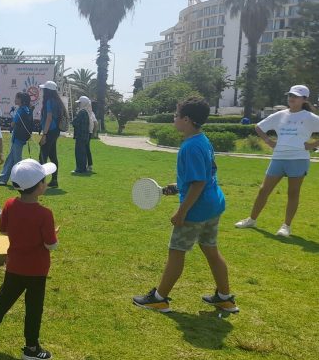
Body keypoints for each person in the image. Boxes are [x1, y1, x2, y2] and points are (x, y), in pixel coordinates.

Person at [133, 97, 238, 314]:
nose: (174, 118)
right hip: (213, 205)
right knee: (211, 250)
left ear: (187, 119)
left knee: (176, 252)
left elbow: (199, 183)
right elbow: (203, 176)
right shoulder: (202, 140)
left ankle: (159, 299)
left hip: (196, 210)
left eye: (176, 115)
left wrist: (181, 212)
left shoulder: (189, 147)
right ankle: (225, 298)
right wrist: (178, 187)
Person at [0, 158, 58, 360]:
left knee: (2, 301)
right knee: (34, 308)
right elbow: (51, 245)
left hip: (14, 266)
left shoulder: (10, 204)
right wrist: (52, 234)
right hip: (37, 270)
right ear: (39, 187)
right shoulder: (45, 214)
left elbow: (3, 229)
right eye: (44, 180)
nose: (46, 183)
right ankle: (31, 348)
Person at [235, 85, 319, 237]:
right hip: (278, 157)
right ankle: (251, 220)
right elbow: (259, 127)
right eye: (290, 95)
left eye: (295, 96)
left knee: (293, 192)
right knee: (263, 190)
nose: (291, 98)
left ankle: (286, 226)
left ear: (304, 99)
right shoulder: (280, 115)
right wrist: (268, 140)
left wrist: (312, 145)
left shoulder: (309, 117)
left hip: (298, 158)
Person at [0, 92, 33, 186]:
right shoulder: (27, 109)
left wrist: (12, 121)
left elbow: (13, 123)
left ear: (21, 100)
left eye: (17, 98)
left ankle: (20, 181)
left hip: (17, 138)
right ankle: (3, 179)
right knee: (10, 159)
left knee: (17, 161)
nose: (15, 99)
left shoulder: (21, 110)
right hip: (21, 138)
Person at [38, 81, 62, 187]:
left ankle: (41, 181)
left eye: (44, 89)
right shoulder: (57, 101)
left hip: (50, 131)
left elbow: (49, 118)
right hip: (55, 130)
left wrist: (44, 134)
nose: (43, 91)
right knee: (52, 156)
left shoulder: (49, 101)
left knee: (43, 156)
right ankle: (54, 180)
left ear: (47, 91)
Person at [72, 96, 92, 174]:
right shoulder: (86, 112)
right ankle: (83, 168)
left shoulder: (81, 112)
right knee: (83, 153)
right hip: (85, 135)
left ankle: (79, 169)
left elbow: (75, 122)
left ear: (83, 103)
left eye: (79, 103)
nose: (78, 104)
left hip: (80, 135)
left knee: (79, 153)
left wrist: (74, 119)